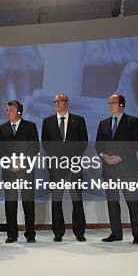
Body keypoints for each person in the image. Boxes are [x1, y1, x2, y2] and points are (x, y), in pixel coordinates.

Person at [95, 94, 138, 244]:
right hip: (109, 169)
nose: (109, 105)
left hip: (127, 169)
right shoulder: (103, 123)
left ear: (122, 105)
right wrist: (104, 157)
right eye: (108, 103)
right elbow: (98, 145)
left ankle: (137, 234)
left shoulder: (133, 121)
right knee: (112, 202)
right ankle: (116, 233)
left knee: (132, 202)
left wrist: (120, 157)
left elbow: (136, 143)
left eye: (113, 102)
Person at [41, 93, 88, 242]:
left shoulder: (79, 120)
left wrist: (74, 158)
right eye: (56, 101)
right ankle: (58, 232)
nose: (59, 103)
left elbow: (84, 142)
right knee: (56, 200)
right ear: (54, 104)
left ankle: (79, 232)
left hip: (74, 166)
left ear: (67, 103)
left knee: (77, 199)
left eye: (62, 100)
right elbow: (45, 143)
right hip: (56, 166)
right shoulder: (47, 121)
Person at [0, 100, 39, 243]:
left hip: (26, 171)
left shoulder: (30, 126)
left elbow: (35, 148)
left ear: (19, 112)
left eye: (11, 110)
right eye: (7, 110)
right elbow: (0, 151)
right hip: (9, 172)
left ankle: (30, 234)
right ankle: (11, 235)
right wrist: (10, 164)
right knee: (10, 204)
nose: (7, 112)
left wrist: (21, 162)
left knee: (28, 203)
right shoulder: (2, 128)